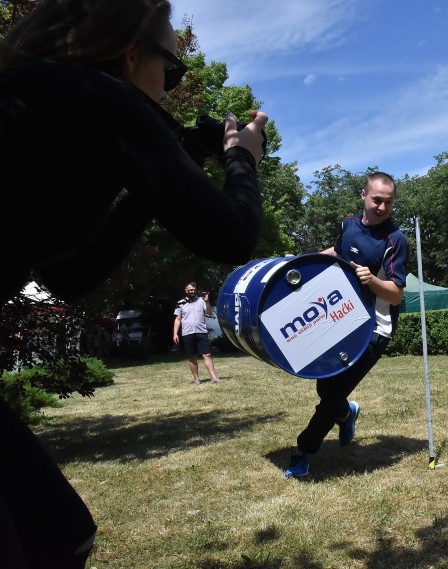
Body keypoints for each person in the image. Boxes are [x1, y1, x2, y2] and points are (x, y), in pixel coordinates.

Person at [0, 1, 268, 566]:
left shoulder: (43, 102)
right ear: (129, 54)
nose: (170, 91)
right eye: (171, 71)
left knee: (57, 534)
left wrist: (163, 171)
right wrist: (242, 160)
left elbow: (69, 274)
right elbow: (233, 236)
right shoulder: (103, 97)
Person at [284, 172, 409, 478]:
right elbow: (336, 253)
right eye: (377, 200)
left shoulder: (396, 239)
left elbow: (395, 295)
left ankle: (303, 451)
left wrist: (372, 280)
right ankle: (347, 412)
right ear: (363, 194)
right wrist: (300, 261)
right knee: (325, 385)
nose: (382, 207)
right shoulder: (349, 224)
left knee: (332, 392)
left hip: (374, 330)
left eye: (388, 202)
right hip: (340, 320)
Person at [173, 282, 220, 384]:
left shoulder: (201, 301)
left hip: (201, 331)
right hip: (187, 333)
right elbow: (178, 319)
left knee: (207, 354)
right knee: (192, 356)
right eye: (190, 290)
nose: (192, 291)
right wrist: (175, 334)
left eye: (193, 290)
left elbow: (209, 313)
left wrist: (207, 302)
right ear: (186, 291)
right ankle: (197, 379)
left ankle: (213, 377)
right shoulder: (180, 303)